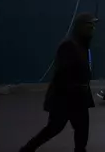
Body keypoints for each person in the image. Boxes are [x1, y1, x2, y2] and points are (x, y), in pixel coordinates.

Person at [20, 12, 98, 152]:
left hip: (79, 96)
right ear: (81, 27)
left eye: (93, 25)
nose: (93, 28)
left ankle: (80, 150)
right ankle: (27, 148)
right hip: (66, 97)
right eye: (89, 25)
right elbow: (62, 73)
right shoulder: (69, 45)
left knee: (82, 127)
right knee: (54, 127)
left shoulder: (83, 45)